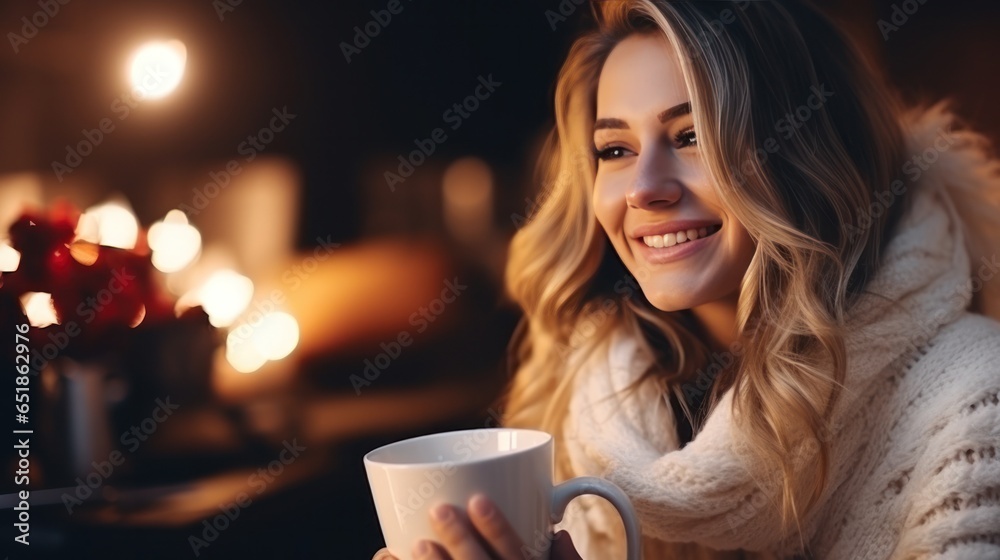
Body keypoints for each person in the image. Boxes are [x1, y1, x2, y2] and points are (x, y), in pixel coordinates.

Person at [375, 1, 1000, 558]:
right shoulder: (585, 404)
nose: (645, 188)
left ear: (809, 155)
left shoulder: (973, 395)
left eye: (693, 135)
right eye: (615, 150)